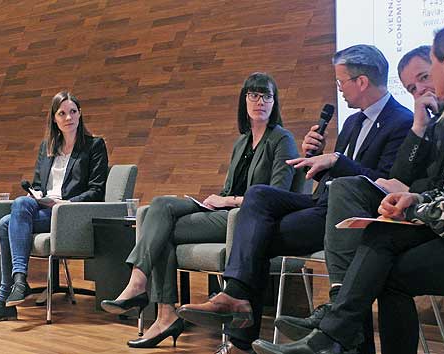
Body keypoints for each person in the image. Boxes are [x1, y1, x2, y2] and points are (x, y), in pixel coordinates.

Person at [253, 23, 444, 354]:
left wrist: (412, 208)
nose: (426, 83)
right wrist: (415, 198)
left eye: (432, 67)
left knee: (391, 274)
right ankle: (332, 337)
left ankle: (331, 335)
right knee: (384, 236)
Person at [176, 45, 413, 353]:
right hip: (323, 204)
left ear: (362, 82)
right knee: (259, 197)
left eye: (341, 82)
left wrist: (336, 161)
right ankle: (235, 294)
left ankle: (240, 337)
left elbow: (383, 183)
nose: (339, 89)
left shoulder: (401, 121)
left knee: (256, 237)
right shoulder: (353, 122)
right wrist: (316, 158)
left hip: (352, 216)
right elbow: (333, 175)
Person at [100, 72, 299, 351]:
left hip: (245, 220)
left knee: (161, 230)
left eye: (266, 96)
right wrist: (217, 198)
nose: (260, 101)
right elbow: (229, 187)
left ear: (274, 102)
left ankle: (145, 293)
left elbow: (277, 195)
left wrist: (228, 201)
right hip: (226, 209)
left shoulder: (282, 139)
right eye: (253, 95)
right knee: (159, 206)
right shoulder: (241, 143)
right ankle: (160, 309)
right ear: (243, 101)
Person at [274, 45, 444, 350]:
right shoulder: (422, 122)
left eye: (425, 77)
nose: (421, 90)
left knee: (383, 255)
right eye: (411, 87)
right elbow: (399, 175)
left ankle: (336, 322)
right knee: (374, 237)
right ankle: (338, 324)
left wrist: (414, 197)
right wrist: (420, 127)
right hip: (412, 211)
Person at [0, 91, 109, 322]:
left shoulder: (94, 146)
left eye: (73, 112)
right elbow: (37, 185)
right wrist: (38, 195)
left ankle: (10, 292)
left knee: (6, 223)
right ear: (54, 118)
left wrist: (65, 203)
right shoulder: (47, 147)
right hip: (44, 209)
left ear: (80, 114)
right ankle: (16, 285)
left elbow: (97, 190)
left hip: (69, 213)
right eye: (62, 113)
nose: (68, 117)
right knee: (21, 203)